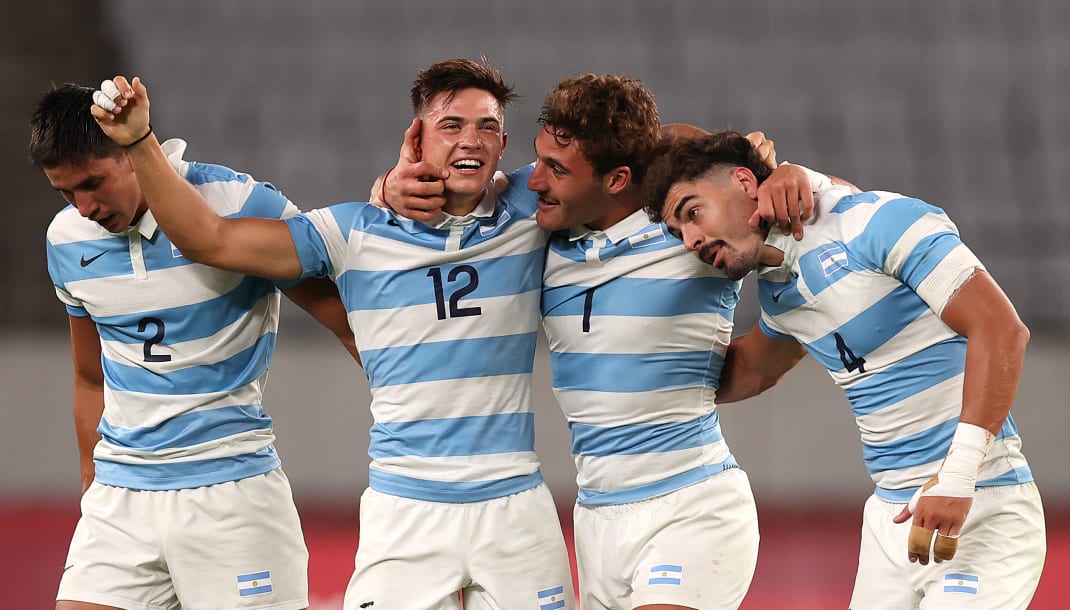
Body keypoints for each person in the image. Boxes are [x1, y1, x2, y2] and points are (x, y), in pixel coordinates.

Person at [88, 60, 575, 610]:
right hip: (404, 511)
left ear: (505, 141)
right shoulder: (352, 232)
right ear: (416, 137)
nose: (473, 140)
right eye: (452, 125)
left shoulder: (534, 209)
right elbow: (213, 241)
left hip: (516, 507)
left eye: (487, 127)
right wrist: (139, 141)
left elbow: (636, 159)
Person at [379, 74, 836, 610]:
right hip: (596, 519)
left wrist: (789, 178)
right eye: (540, 159)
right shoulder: (538, 225)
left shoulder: (686, 226)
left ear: (618, 179)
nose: (533, 181)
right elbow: (455, 201)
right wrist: (389, 185)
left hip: (691, 504)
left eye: (557, 169)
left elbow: (819, 224)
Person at [641, 131, 1046, 609]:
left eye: (693, 212)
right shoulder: (778, 292)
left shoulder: (876, 222)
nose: (691, 240)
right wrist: (633, 377)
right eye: (679, 231)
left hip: (978, 502)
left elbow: (1002, 331)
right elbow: (750, 370)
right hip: (890, 521)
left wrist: (959, 477)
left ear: (746, 182)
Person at [33, 83, 358, 610]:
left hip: (231, 495)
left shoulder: (241, 203)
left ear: (131, 150)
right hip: (120, 500)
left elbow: (347, 322)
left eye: (93, 183)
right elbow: (90, 378)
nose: (84, 207)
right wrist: (93, 487)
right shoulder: (65, 240)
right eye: (66, 193)